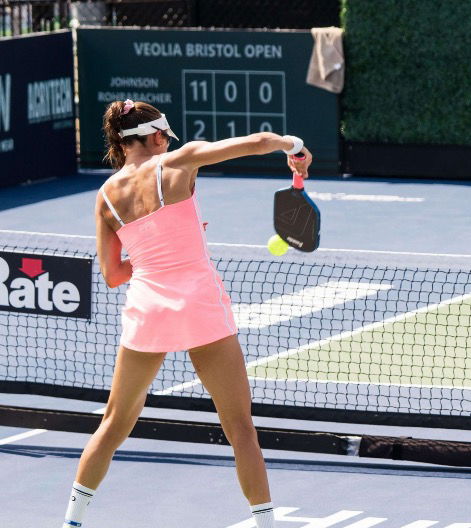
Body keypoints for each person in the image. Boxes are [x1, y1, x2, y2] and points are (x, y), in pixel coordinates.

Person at [62, 99, 310, 528]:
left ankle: (71, 522)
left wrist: (165, 243)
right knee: (240, 428)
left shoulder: (105, 197)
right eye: (164, 138)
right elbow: (256, 142)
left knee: (113, 423)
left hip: (148, 311)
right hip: (199, 306)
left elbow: (115, 274)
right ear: (157, 135)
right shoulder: (180, 160)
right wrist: (295, 146)